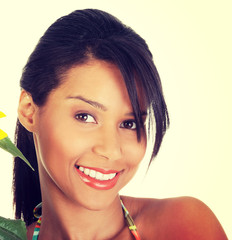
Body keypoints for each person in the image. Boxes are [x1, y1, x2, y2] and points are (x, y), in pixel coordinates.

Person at [12, 8, 227, 240]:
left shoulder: (182, 225)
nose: (112, 149)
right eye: (85, 116)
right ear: (29, 111)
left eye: (129, 123)